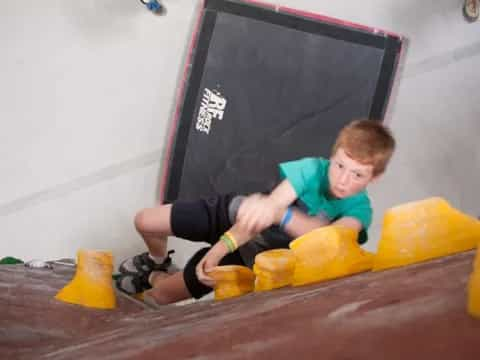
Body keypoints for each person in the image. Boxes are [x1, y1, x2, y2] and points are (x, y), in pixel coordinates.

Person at [116, 119, 396, 305]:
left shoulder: (360, 211)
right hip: (237, 219)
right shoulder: (312, 168)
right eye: (339, 166)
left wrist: (281, 216)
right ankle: (157, 261)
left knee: (158, 297)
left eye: (358, 174)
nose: (343, 180)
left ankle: (154, 277)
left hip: (251, 260)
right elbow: (263, 213)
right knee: (144, 221)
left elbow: (330, 240)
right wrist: (219, 249)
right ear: (332, 157)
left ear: (375, 178)